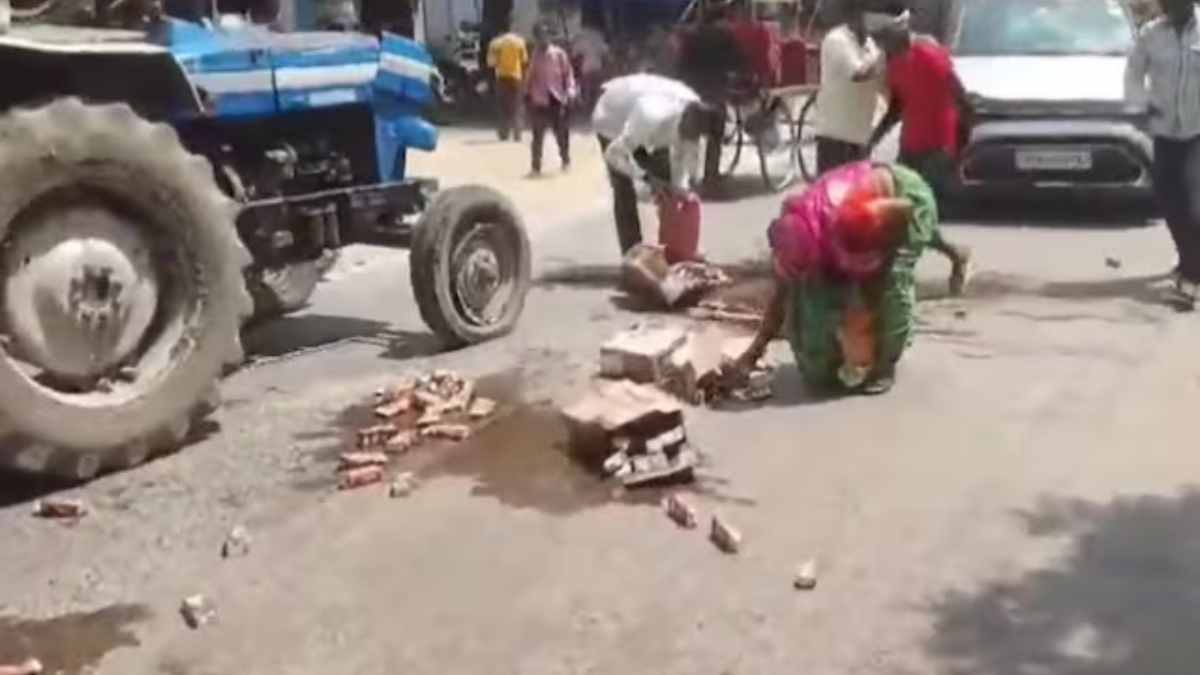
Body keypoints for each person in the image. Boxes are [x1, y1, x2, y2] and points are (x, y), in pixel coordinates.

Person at [730, 160, 950, 395]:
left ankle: (885, 366)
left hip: (901, 205)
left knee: (892, 285)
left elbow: (905, 209)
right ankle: (838, 357)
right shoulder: (797, 236)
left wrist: (869, 317)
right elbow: (782, 294)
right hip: (849, 228)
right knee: (815, 313)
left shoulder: (866, 213)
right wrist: (754, 352)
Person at [867, 13, 973, 295]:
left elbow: (963, 101)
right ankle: (953, 255)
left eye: (887, 40)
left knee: (913, 212)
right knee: (899, 209)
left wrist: (963, 150)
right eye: (882, 42)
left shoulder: (931, 54)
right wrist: (874, 138)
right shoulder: (894, 63)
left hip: (939, 144)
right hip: (911, 144)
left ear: (902, 33)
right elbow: (897, 106)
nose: (885, 47)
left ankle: (902, 273)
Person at [592, 73, 723, 254]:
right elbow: (613, 155)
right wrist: (646, 177)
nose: (692, 140)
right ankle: (632, 252)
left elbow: (682, 163)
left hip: (647, 119)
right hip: (613, 115)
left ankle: (672, 245)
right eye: (691, 132)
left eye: (697, 136)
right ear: (687, 117)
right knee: (624, 188)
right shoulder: (650, 115)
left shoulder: (696, 112)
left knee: (666, 183)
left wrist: (682, 192)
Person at [1125, 0, 1200, 307]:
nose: (1169, 8)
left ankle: (1192, 276)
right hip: (1165, 130)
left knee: (1192, 199)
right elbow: (1133, 73)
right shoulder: (1152, 34)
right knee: (1171, 201)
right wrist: (1141, 105)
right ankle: (1189, 260)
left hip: (1198, 130)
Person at [814, 0, 886, 174]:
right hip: (836, 141)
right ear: (856, 13)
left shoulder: (870, 44)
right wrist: (886, 52)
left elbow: (882, 83)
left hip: (860, 140)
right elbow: (859, 74)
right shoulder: (837, 40)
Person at [525, 23, 577, 175]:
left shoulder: (559, 54)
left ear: (549, 36)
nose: (542, 39)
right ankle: (536, 167)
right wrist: (526, 94)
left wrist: (570, 91)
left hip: (557, 98)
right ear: (536, 38)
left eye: (544, 35)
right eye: (539, 36)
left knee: (561, 133)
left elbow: (568, 75)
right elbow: (530, 76)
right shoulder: (534, 56)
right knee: (537, 135)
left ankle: (566, 161)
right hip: (539, 100)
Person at [487, 30, 529, 142]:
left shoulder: (495, 43)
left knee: (503, 107)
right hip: (516, 77)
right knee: (518, 106)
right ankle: (517, 133)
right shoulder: (519, 42)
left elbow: (491, 62)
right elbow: (524, 61)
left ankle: (503, 133)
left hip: (501, 77)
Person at [572, 25, 609, 111]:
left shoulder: (580, 37)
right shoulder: (598, 36)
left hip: (587, 69)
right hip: (597, 67)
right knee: (597, 91)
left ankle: (588, 111)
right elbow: (605, 51)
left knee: (587, 91)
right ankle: (598, 110)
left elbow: (574, 54)